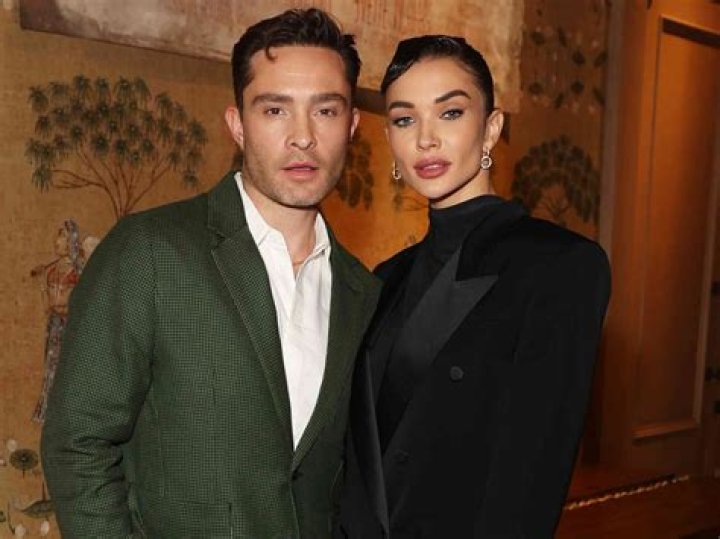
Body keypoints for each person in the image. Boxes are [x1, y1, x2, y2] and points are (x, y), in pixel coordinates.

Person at [41, 8, 380, 538]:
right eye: (275, 110)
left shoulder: (363, 291)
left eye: (326, 110)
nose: (303, 137)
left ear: (352, 126)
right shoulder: (150, 252)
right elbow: (78, 443)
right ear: (237, 124)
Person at [335, 35, 611, 538]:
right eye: (404, 119)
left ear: (491, 129)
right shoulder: (385, 279)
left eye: (450, 113)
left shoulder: (558, 267)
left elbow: (528, 485)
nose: (425, 139)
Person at [30, 220, 84, 423]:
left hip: (71, 327)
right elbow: (49, 307)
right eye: (58, 236)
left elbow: (73, 304)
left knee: (68, 369)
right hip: (55, 325)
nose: (56, 241)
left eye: (62, 237)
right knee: (51, 368)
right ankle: (50, 413)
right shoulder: (52, 271)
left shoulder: (78, 272)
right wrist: (41, 283)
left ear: (71, 242)